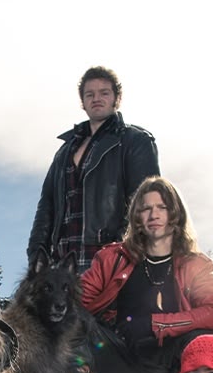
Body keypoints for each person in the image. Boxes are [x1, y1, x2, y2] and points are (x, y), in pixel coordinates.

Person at [80, 176, 213, 373]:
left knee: (205, 339)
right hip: (120, 363)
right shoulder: (113, 258)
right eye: (146, 209)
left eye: (162, 207)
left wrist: (157, 324)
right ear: (137, 217)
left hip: (170, 369)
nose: (153, 215)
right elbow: (74, 303)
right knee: (71, 321)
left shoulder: (196, 264)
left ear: (175, 214)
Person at [27, 65, 160, 274]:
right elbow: (46, 207)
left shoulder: (135, 141)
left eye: (104, 93)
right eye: (90, 94)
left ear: (116, 98)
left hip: (109, 262)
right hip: (62, 268)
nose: (96, 98)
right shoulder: (65, 151)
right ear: (83, 102)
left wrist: (121, 255)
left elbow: (146, 204)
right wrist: (36, 258)